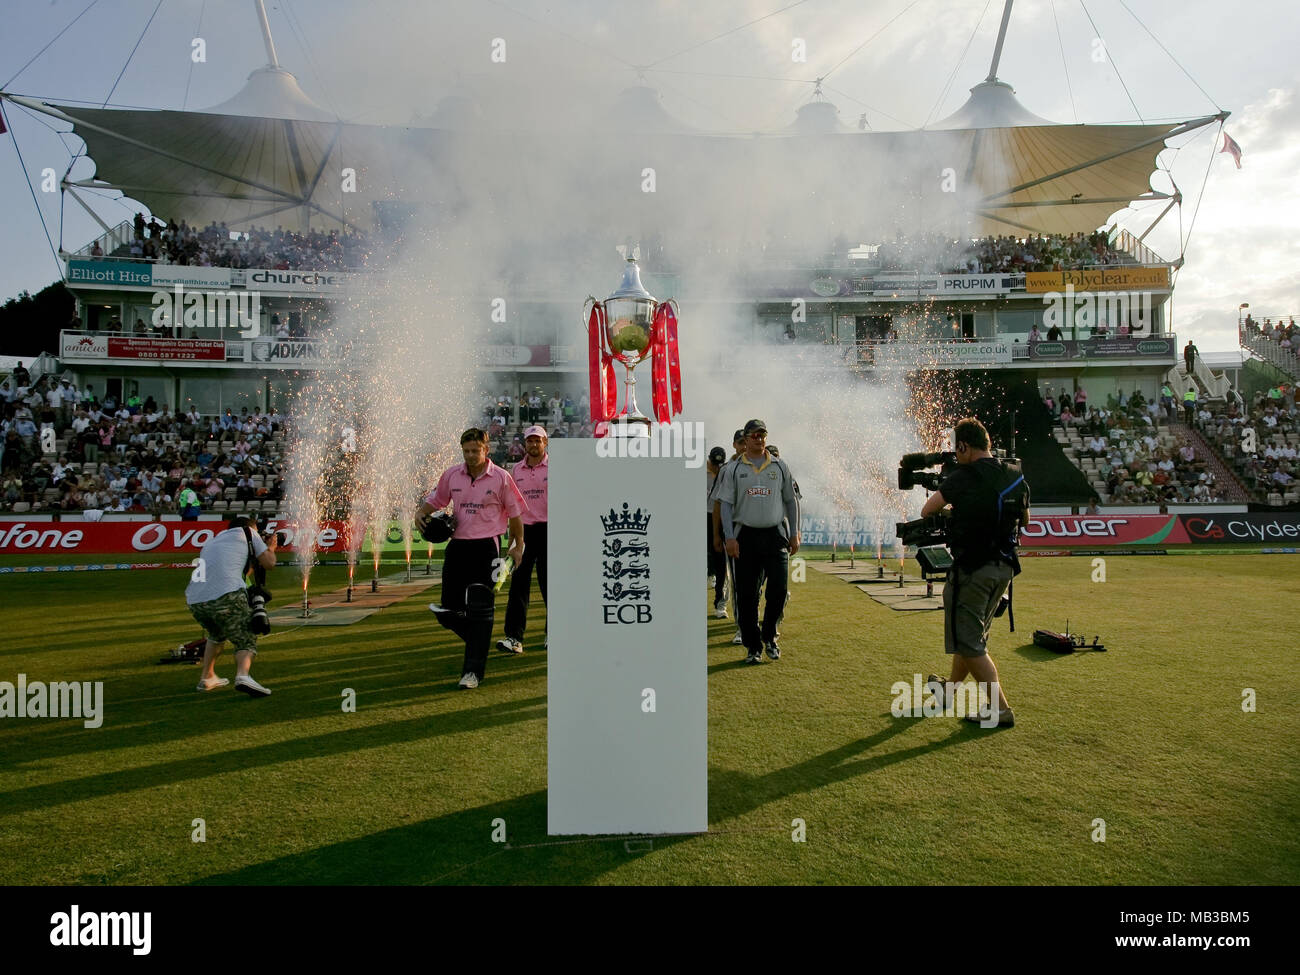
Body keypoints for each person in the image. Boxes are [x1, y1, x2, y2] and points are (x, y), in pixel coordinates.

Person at [921, 417, 1030, 728]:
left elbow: (927, 511)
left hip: (972, 569)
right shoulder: (1014, 474)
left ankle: (1000, 709)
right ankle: (948, 690)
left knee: (969, 642)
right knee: (970, 636)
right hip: (1004, 570)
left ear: (966, 446)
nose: (955, 455)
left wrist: (957, 514)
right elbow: (1027, 519)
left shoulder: (963, 477)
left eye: (957, 449)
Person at [417, 428, 525, 689]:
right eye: (466, 451)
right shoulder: (452, 474)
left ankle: (472, 673)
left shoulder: (501, 477)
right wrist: (420, 513)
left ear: (486, 450)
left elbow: (515, 516)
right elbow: (438, 500)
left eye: (476, 450)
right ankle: (478, 637)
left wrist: (517, 546)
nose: (471, 455)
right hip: (457, 547)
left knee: (480, 610)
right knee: (448, 610)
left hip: (487, 549)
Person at [719, 419, 800, 664]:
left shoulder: (779, 465)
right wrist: (730, 536)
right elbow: (725, 504)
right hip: (746, 535)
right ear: (745, 439)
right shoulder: (734, 469)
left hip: (775, 534)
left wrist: (794, 532)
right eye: (754, 435)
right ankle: (753, 647)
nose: (759, 439)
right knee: (747, 596)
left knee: (778, 591)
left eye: (762, 434)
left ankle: (769, 637)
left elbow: (791, 500)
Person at [186, 514, 277, 696]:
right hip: (226, 595)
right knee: (246, 636)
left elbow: (239, 571)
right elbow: (269, 563)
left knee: (216, 634)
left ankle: (207, 677)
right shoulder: (249, 533)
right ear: (252, 527)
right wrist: (272, 547)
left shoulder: (215, 541)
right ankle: (243, 676)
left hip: (196, 599)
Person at [498, 425, 549, 655]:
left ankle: (554, 634)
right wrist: (512, 543)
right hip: (524, 533)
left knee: (552, 586)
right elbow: (511, 508)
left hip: (550, 530)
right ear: (524, 444)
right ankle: (514, 638)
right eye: (530, 441)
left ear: (545, 443)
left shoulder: (557, 467)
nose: (533, 444)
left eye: (538, 441)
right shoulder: (515, 470)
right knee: (518, 586)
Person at [705, 446, 729, 617]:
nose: (716, 467)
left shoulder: (725, 473)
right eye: (714, 464)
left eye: (720, 464)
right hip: (701, 518)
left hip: (720, 519)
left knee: (721, 563)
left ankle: (719, 604)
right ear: (709, 460)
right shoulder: (698, 472)